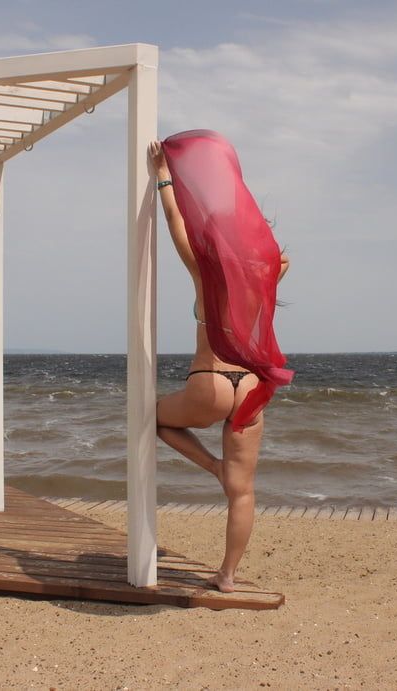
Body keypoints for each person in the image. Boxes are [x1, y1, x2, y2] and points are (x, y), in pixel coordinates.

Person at [149, 133, 290, 593]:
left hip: (210, 380)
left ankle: (209, 466)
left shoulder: (204, 270)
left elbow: (176, 224)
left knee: (148, 417)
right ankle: (226, 576)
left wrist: (164, 179)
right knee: (243, 491)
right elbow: (278, 255)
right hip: (251, 387)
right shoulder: (269, 272)